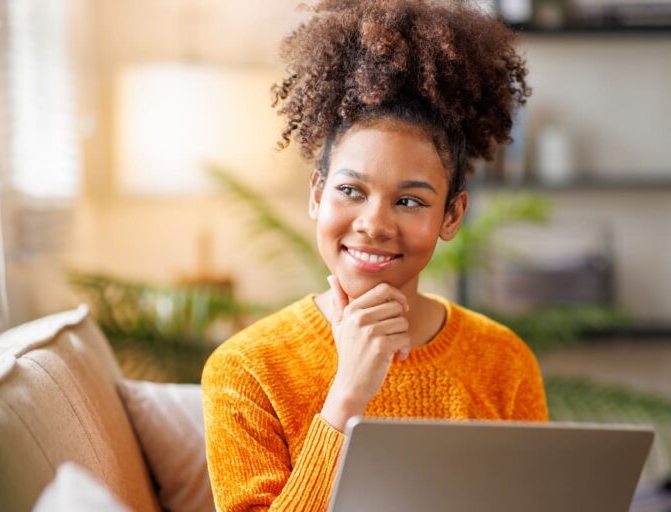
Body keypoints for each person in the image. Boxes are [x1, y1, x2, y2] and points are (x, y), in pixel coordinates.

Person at [201, 1, 548, 510]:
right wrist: (346, 398)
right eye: (351, 190)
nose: (374, 224)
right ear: (317, 194)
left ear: (451, 216)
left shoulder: (503, 361)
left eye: (409, 201)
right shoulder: (247, 370)